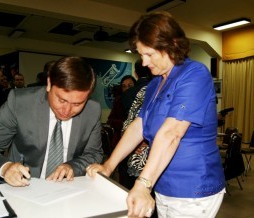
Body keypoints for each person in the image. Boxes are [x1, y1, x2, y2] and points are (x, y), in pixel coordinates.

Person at [87, 12, 225, 218]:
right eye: (141, 55)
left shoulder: (195, 74)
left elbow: (172, 133)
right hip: (162, 183)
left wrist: (143, 184)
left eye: (149, 54)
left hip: (194, 186)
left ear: (173, 44)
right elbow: (138, 126)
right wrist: (108, 165)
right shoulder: (154, 85)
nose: (143, 63)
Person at [0, 56, 103, 187]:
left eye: (77, 104)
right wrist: (5, 167)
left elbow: (94, 153)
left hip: (68, 187)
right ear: (49, 84)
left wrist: (72, 166)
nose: (67, 110)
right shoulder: (19, 103)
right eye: (62, 100)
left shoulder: (92, 110)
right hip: (24, 186)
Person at [118, 59, 152, 189]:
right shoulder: (154, 89)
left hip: (131, 144)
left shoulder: (129, 94)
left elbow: (129, 122)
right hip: (145, 145)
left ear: (136, 73)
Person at [106, 75, 136, 150]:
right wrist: (124, 124)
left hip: (136, 141)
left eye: (130, 86)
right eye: (124, 86)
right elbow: (110, 120)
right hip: (119, 141)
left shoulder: (140, 101)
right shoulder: (118, 101)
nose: (127, 89)